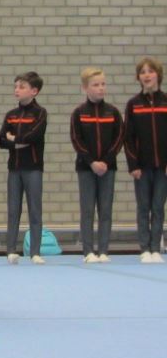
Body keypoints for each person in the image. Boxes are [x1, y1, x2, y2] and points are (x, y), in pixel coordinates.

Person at [70, 67, 123, 263]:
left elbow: (119, 138)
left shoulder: (113, 112)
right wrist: (92, 162)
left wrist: (106, 161)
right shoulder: (79, 113)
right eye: (96, 85)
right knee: (87, 210)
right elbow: (76, 140)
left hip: (108, 168)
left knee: (105, 210)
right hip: (86, 168)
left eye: (103, 84)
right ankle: (88, 251)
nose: (101, 88)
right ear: (85, 88)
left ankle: (103, 250)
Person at [0, 71, 48, 265]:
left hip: (33, 168)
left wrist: (14, 139)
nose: (17, 90)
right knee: (13, 210)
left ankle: (35, 251)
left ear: (34, 91)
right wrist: (18, 142)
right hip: (15, 168)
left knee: (35, 210)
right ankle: (11, 250)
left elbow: (34, 136)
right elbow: (1, 140)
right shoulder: (11, 115)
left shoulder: (40, 113)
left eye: (21, 87)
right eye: (16, 86)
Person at [123, 56, 167, 264]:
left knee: (158, 207)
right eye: (143, 72)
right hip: (141, 166)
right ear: (138, 78)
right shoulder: (133, 104)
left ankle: (155, 247)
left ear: (158, 75)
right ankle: (144, 248)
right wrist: (133, 164)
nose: (147, 75)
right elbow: (128, 138)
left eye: (150, 71)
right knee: (143, 207)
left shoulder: (165, 101)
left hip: (163, 167)